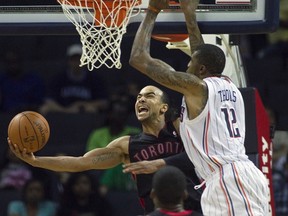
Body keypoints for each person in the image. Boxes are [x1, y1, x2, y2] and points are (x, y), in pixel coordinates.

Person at [128, 0, 270, 215]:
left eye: (189, 65)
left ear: (201, 69)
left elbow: (138, 59)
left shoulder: (198, 89)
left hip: (229, 178)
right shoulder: (227, 84)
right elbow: (199, 53)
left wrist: (152, 11)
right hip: (227, 178)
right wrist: (189, 14)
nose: (186, 67)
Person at [8, 85, 202, 215]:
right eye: (138, 97)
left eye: (149, 96)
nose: (141, 100)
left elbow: (202, 153)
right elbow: (80, 163)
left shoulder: (181, 131)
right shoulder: (127, 145)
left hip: (198, 207)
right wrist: (35, 161)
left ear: (163, 107)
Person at [86, 98, 140, 195]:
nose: (121, 116)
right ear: (109, 114)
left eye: (123, 113)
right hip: (102, 170)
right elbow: (91, 158)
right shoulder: (97, 134)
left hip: (125, 171)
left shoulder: (134, 133)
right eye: (117, 113)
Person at [39, 44, 108, 115]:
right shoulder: (58, 78)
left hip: (83, 112)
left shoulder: (94, 79)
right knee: (45, 108)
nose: (77, 62)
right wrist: (67, 110)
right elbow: (49, 100)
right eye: (74, 59)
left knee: (92, 109)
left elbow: (103, 102)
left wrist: (82, 105)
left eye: (80, 59)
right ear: (69, 61)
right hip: (62, 111)